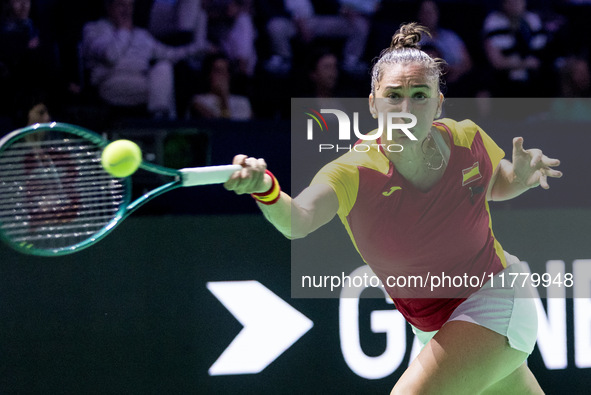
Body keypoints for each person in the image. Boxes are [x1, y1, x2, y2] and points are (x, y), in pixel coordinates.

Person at [224, 23, 562, 393]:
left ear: (438, 104)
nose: (406, 108)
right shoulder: (351, 172)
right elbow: (298, 221)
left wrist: (521, 177)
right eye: (394, 95)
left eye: (419, 95)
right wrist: (266, 188)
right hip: (434, 325)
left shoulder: (467, 139)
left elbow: (497, 184)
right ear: (373, 103)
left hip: (495, 297)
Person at [81, 0, 210, 119]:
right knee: (163, 93)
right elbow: (110, 56)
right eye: (121, 5)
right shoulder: (94, 29)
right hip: (110, 82)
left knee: (164, 67)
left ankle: (161, 119)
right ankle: (164, 122)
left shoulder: (141, 34)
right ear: (109, 7)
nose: (126, 10)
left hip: (142, 81)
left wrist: (200, 48)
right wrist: (124, 31)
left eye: (129, 5)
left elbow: (170, 54)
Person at [483, 0, 548, 97]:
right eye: (510, 2)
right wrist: (523, 64)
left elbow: (541, 55)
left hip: (535, 76)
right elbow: (497, 63)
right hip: (504, 78)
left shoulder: (532, 19)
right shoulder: (493, 21)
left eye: (519, 1)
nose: (515, 4)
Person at [188, 53, 252, 120]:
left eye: (226, 71)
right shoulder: (198, 101)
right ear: (209, 75)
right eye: (218, 71)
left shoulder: (243, 102)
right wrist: (223, 98)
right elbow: (221, 127)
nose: (223, 76)